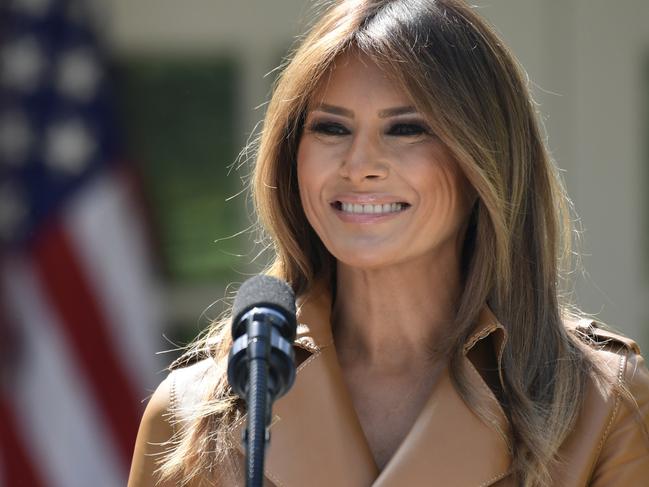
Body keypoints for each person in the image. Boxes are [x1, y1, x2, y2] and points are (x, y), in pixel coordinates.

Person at [127, 1, 649, 486]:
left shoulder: (602, 407)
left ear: (485, 162)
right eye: (331, 128)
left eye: (407, 129)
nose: (359, 166)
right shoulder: (192, 415)